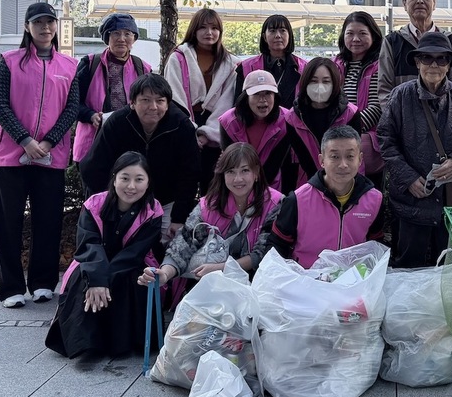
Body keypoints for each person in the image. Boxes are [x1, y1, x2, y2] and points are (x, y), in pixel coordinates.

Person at [0, 2, 79, 308]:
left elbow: (72, 109)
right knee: (7, 222)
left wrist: (50, 141)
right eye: (38, 22)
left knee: (48, 220)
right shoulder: (10, 61)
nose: (45, 28)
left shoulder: (70, 66)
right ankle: (11, 288)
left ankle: (43, 282)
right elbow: (0, 105)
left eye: (50, 22)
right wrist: (26, 140)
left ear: (56, 27)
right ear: (27, 27)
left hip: (51, 157)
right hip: (11, 156)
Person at [378, 31, 452, 268]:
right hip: (411, 201)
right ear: (417, 62)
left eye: (441, 59)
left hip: (451, 200)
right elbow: (386, 140)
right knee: (409, 267)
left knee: (451, 269)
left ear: (448, 65)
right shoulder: (400, 96)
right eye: (427, 58)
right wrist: (408, 177)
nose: (434, 65)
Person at [45, 152, 163, 358]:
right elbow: (88, 243)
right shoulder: (93, 204)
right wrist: (97, 278)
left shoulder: (153, 210)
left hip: (132, 262)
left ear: (148, 182)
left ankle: (121, 343)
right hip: (92, 260)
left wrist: (104, 280)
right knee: (84, 278)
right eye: (125, 178)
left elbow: (135, 252)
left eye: (139, 179)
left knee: (133, 278)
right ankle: (84, 343)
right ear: (114, 178)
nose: (131, 186)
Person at [81, 73, 200, 249]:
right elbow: (93, 168)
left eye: (160, 101)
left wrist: (179, 218)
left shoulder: (181, 125)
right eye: (145, 100)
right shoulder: (117, 123)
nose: (153, 107)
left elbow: (190, 175)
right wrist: (110, 203)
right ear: (132, 102)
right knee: (116, 246)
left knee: (168, 248)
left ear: (167, 104)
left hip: (166, 199)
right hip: (122, 197)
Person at [138, 144, 283, 288]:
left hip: (259, 284)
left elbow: (264, 253)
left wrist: (220, 267)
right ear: (222, 174)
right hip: (212, 285)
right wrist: (164, 273)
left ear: (256, 173)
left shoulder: (275, 204)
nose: (238, 179)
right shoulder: (208, 205)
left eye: (245, 170)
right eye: (230, 171)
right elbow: (184, 244)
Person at [271, 126, 383, 269]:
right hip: (307, 281)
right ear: (322, 160)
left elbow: (376, 244)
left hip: (352, 281)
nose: (343, 165)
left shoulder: (375, 200)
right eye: (335, 157)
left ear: (360, 159)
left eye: (350, 156)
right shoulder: (298, 200)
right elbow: (277, 246)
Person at [164, 8, 239, 195]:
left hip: (216, 127)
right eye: (203, 27)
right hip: (183, 123)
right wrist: (191, 131)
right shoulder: (178, 58)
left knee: (213, 184)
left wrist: (208, 133)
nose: (209, 32)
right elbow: (174, 96)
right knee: (182, 182)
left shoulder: (231, 63)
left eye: (214, 28)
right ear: (194, 30)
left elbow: (227, 102)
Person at [73, 13, 151, 167]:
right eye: (115, 33)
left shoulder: (143, 68)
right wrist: (91, 116)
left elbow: (150, 105)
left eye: (127, 34)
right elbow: (72, 103)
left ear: (134, 38)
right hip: (93, 143)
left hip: (131, 144)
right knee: (95, 190)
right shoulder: (89, 64)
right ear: (106, 37)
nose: (122, 38)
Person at [377, 0, 452, 108]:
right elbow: (385, 89)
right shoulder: (392, 42)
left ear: (434, 2)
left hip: (443, 122)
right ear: (404, 4)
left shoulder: (451, 41)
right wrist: (397, 118)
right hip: (403, 122)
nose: (419, 1)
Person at [284, 57, 360, 190]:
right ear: (305, 82)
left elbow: (353, 153)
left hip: (346, 182)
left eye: (326, 81)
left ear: (335, 83)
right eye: (314, 81)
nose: (320, 87)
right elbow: (302, 159)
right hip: (309, 184)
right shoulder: (292, 117)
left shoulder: (351, 113)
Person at [219, 70, 294, 191]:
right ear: (246, 97)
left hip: (271, 188)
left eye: (268, 93)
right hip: (236, 185)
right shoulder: (228, 121)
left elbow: (276, 164)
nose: (263, 99)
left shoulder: (287, 120)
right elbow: (230, 163)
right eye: (257, 94)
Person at [333, 11, 385, 184]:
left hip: (365, 144)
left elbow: (376, 107)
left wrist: (345, 131)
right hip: (336, 139)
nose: (356, 39)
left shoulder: (379, 65)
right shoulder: (335, 64)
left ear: (373, 36)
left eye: (362, 33)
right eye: (350, 33)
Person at [234, 14, 308, 108]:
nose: (278, 35)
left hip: (292, 122)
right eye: (272, 31)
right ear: (264, 37)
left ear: (289, 35)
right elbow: (238, 105)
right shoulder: (246, 68)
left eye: (282, 31)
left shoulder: (305, 68)